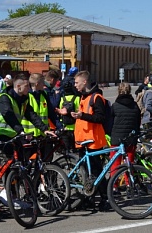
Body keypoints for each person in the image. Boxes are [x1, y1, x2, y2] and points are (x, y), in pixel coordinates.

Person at [63, 71, 110, 210]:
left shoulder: (96, 97)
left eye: (77, 83)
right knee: (86, 172)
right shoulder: (84, 97)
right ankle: (89, 198)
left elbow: (100, 118)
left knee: (96, 171)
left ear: (84, 82)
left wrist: (82, 115)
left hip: (93, 140)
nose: (75, 85)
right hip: (83, 140)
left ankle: (105, 198)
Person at [108, 83, 141, 176]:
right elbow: (138, 121)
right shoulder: (135, 106)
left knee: (115, 163)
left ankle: (114, 185)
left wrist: (111, 133)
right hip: (131, 138)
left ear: (118, 91)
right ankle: (129, 184)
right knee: (129, 163)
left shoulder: (115, 106)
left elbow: (110, 122)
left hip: (116, 138)